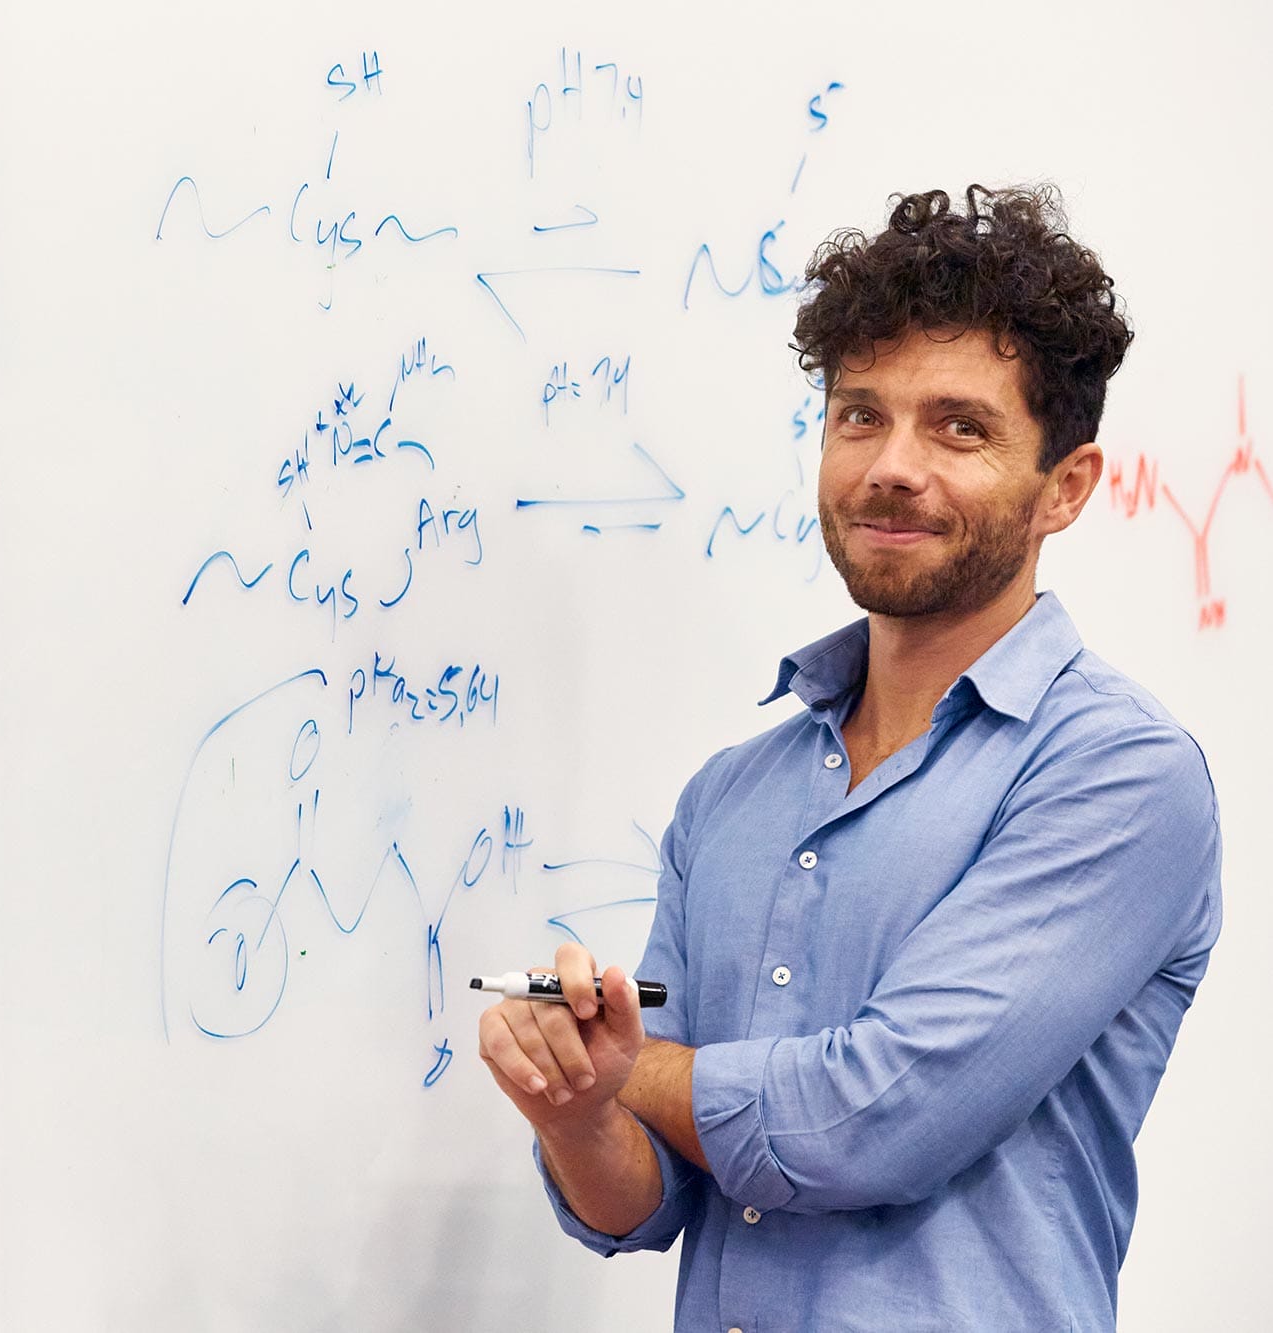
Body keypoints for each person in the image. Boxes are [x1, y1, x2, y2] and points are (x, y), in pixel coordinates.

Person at [477, 185, 1223, 1332]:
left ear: (1062, 489)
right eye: (859, 415)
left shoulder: (1118, 776)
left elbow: (862, 1124)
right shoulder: (728, 798)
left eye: (958, 427)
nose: (890, 467)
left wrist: (628, 1067)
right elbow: (649, 1198)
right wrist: (575, 1101)